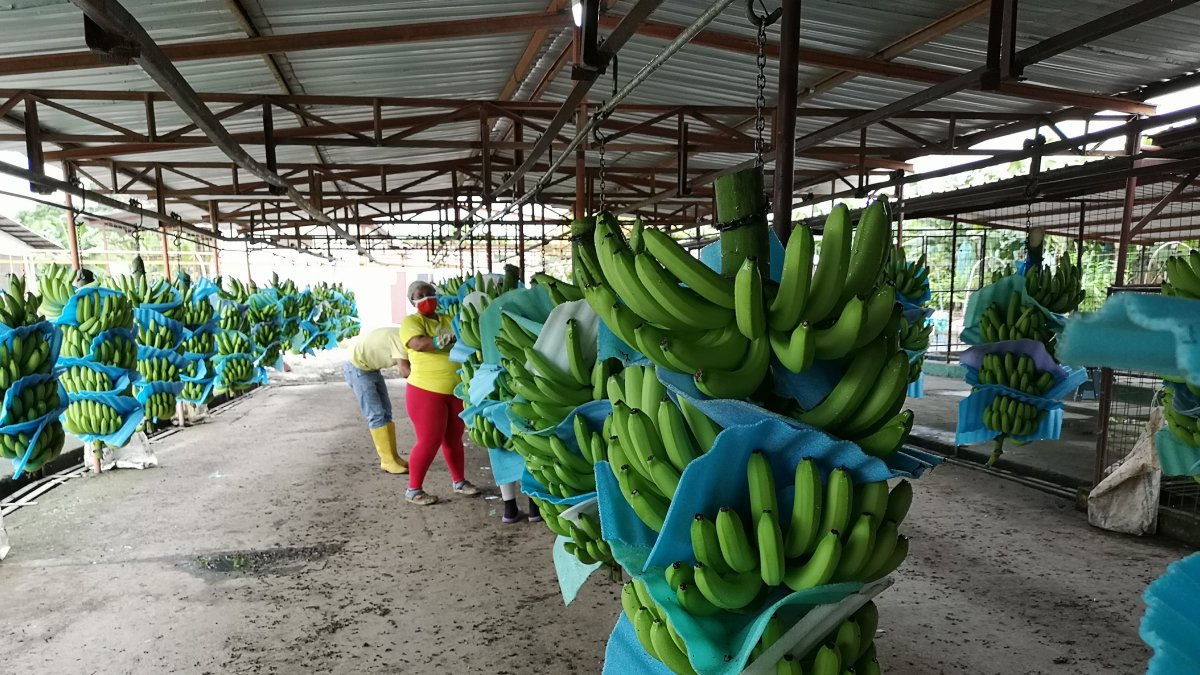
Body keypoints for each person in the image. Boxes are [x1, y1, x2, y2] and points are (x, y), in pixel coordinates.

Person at [399, 280, 480, 506]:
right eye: (420, 294)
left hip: (454, 390)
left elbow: (464, 334)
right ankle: (413, 489)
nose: (426, 297)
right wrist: (439, 340)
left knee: (454, 438)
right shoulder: (411, 322)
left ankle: (459, 482)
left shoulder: (447, 319)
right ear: (413, 300)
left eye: (430, 293)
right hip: (425, 391)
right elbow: (417, 344)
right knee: (429, 440)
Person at [343, 326, 411, 475]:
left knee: (386, 412)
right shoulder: (402, 340)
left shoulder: (406, 334)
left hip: (371, 368)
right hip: (357, 368)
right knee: (376, 414)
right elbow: (405, 371)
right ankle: (387, 461)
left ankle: (394, 457)